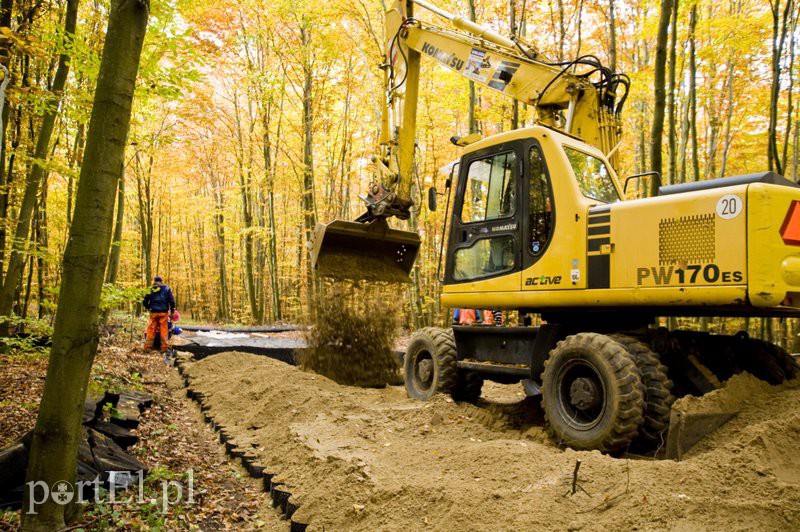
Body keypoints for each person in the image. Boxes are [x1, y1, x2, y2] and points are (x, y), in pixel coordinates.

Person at [143, 275, 176, 353]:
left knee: (151, 330)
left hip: (153, 312)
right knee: (164, 330)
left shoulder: (151, 289)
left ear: (154, 281)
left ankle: (147, 347)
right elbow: (172, 301)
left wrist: (149, 308)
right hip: (163, 313)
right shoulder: (167, 289)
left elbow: (144, 301)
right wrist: (172, 311)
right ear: (161, 281)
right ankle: (164, 348)